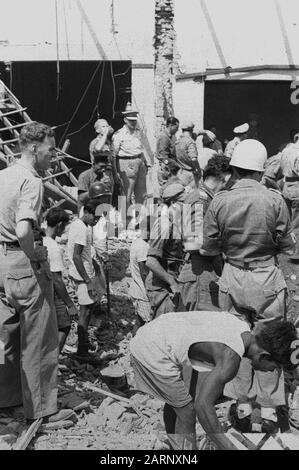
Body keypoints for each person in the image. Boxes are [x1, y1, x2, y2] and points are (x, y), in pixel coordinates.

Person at [202, 139, 295, 409]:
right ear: (260, 168)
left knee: (236, 340)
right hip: (265, 276)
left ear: (235, 169)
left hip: (231, 276)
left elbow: (209, 247)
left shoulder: (219, 201)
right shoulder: (274, 199)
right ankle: (267, 405)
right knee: (268, 342)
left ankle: (239, 400)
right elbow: (288, 247)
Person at [130, 310, 297, 450]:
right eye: (274, 367)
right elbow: (202, 406)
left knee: (179, 401)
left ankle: (177, 446)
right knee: (186, 409)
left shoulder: (240, 326)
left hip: (159, 331)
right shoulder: (230, 358)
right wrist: (229, 447)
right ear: (264, 356)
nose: (272, 371)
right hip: (153, 348)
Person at [0, 122, 73, 423]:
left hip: (1, 262)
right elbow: (23, 228)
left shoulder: (3, 175)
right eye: (50, 149)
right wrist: (35, 254)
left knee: (8, 336)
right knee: (39, 339)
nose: (53, 155)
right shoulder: (32, 181)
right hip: (22, 261)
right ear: (33, 147)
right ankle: (42, 409)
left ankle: (7, 401)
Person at [178, 156, 232, 310]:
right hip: (200, 274)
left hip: (206, 270)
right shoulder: (200, 200)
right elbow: (193, 243)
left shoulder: (205, 198)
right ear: (224, 177)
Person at [67, 199, 103, 363]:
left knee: (88, 309)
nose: (96, 221)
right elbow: (76, 256)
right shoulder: (82, 229)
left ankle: (84, 342)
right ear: (86, 213)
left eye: (99, 218)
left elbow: (82, 254)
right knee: (85, 311)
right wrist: (88, 280)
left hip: (81, 274)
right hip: (83, 277)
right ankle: (82, 350)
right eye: (94, 217)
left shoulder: (79, 225)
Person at [145, 183, 185, 319]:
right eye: (183, 202)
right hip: (161, 287)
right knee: (162, 330)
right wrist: (172, 283)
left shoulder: (175, 222)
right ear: (174, 203)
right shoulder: (164, 224)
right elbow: (150, 261)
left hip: (169, 284)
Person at [43, 207, 78, 353]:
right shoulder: (53, 247)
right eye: (64, 227)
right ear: (59, 225)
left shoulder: (39, 239)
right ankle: (51, 361)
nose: (64, 230)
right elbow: (57, 280)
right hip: (51, 294)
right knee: (64, 325)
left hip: (38, 291)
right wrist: (70, 304)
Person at [111, 102, 149, 208]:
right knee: (126, 194)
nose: (133, 123)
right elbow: (113, 155)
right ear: (125, 120)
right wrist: (115, 173)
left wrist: (145, 162)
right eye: (130, 121)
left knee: (142, 193)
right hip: (126, 163)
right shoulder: (119, 134)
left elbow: (140, 149)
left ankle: (141, 219)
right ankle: (125, 220)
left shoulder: (138, 133)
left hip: (139, 161)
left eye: (134, 120)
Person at [129, 216, 154, 334]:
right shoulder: (142, 246)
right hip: (143, 292)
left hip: (137, 289)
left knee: (139, 321)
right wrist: (150, 291)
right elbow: (144, 272)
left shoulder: (137, 242)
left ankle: (133, 346)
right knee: (148, 323)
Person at [280, 132, 299, 262]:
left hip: (286, 186)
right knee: (297, 222)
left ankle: (285, 248)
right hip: (297, 186)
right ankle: (296, 254)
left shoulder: (286, 150)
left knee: (287, 221)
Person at [175, 121, 201, 188]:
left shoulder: (178, 141)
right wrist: (198, 169)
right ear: (191, 130)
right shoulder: (190, 142)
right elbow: (194, 159)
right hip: (190, 174)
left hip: (180, 173)